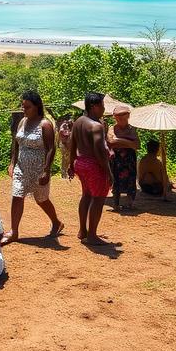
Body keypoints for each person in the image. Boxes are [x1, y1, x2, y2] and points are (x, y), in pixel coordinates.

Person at [1, 91, 64, 245]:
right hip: (21, 168)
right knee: (17, 195)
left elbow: (51, 149)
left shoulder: (45, 124)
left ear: (37, 107)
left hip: (38, 170)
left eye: (27, 107)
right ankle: (14, 232)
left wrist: (46, 171)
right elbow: (16, 143)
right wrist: (12, 162)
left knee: (41, 199)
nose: (24, 110)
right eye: (23, 107)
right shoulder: (22, 122)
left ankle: (56, 222)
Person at [69, 92, 115, 244]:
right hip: (94, 165)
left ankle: (83, 230)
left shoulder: (78, 121)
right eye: (102, 105)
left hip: (80, 163)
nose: (103, 108)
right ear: (94, 106)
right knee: (99, 198)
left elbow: (72, 144)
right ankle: (92, 236)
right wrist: (108, 171)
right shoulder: (96, 126)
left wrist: (71, 164)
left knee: (86, 195)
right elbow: (99, 150)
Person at [108, 105, 141, 210]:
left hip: (129, 159)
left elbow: (137, 145)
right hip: (116, 158)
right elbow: (110, 142)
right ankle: (116, 204)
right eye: (118, 117)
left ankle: (130, 203)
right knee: (115, 179)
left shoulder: (132, 129)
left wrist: (119, 140)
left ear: (128, 116)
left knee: (131, 179)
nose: (121, 119)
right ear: (115, 118)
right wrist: (128, 142)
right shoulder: (111, 128)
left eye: (123, 116)